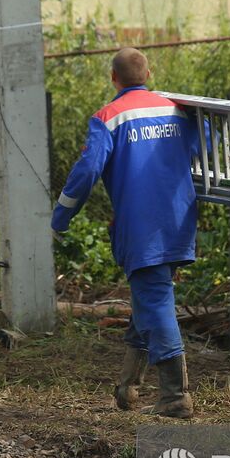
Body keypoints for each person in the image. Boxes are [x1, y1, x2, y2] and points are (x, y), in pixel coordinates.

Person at [51, 48, 202, 418]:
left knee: (154, 299)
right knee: (148, 297)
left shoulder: (108, 118)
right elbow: (203, 151)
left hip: (141, 226)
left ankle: (175, 395)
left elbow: (86, 172)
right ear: (149, 72)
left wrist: (60, 217)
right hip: (179, 218)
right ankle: (129, 386)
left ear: (112, 78)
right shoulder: (177, 109)